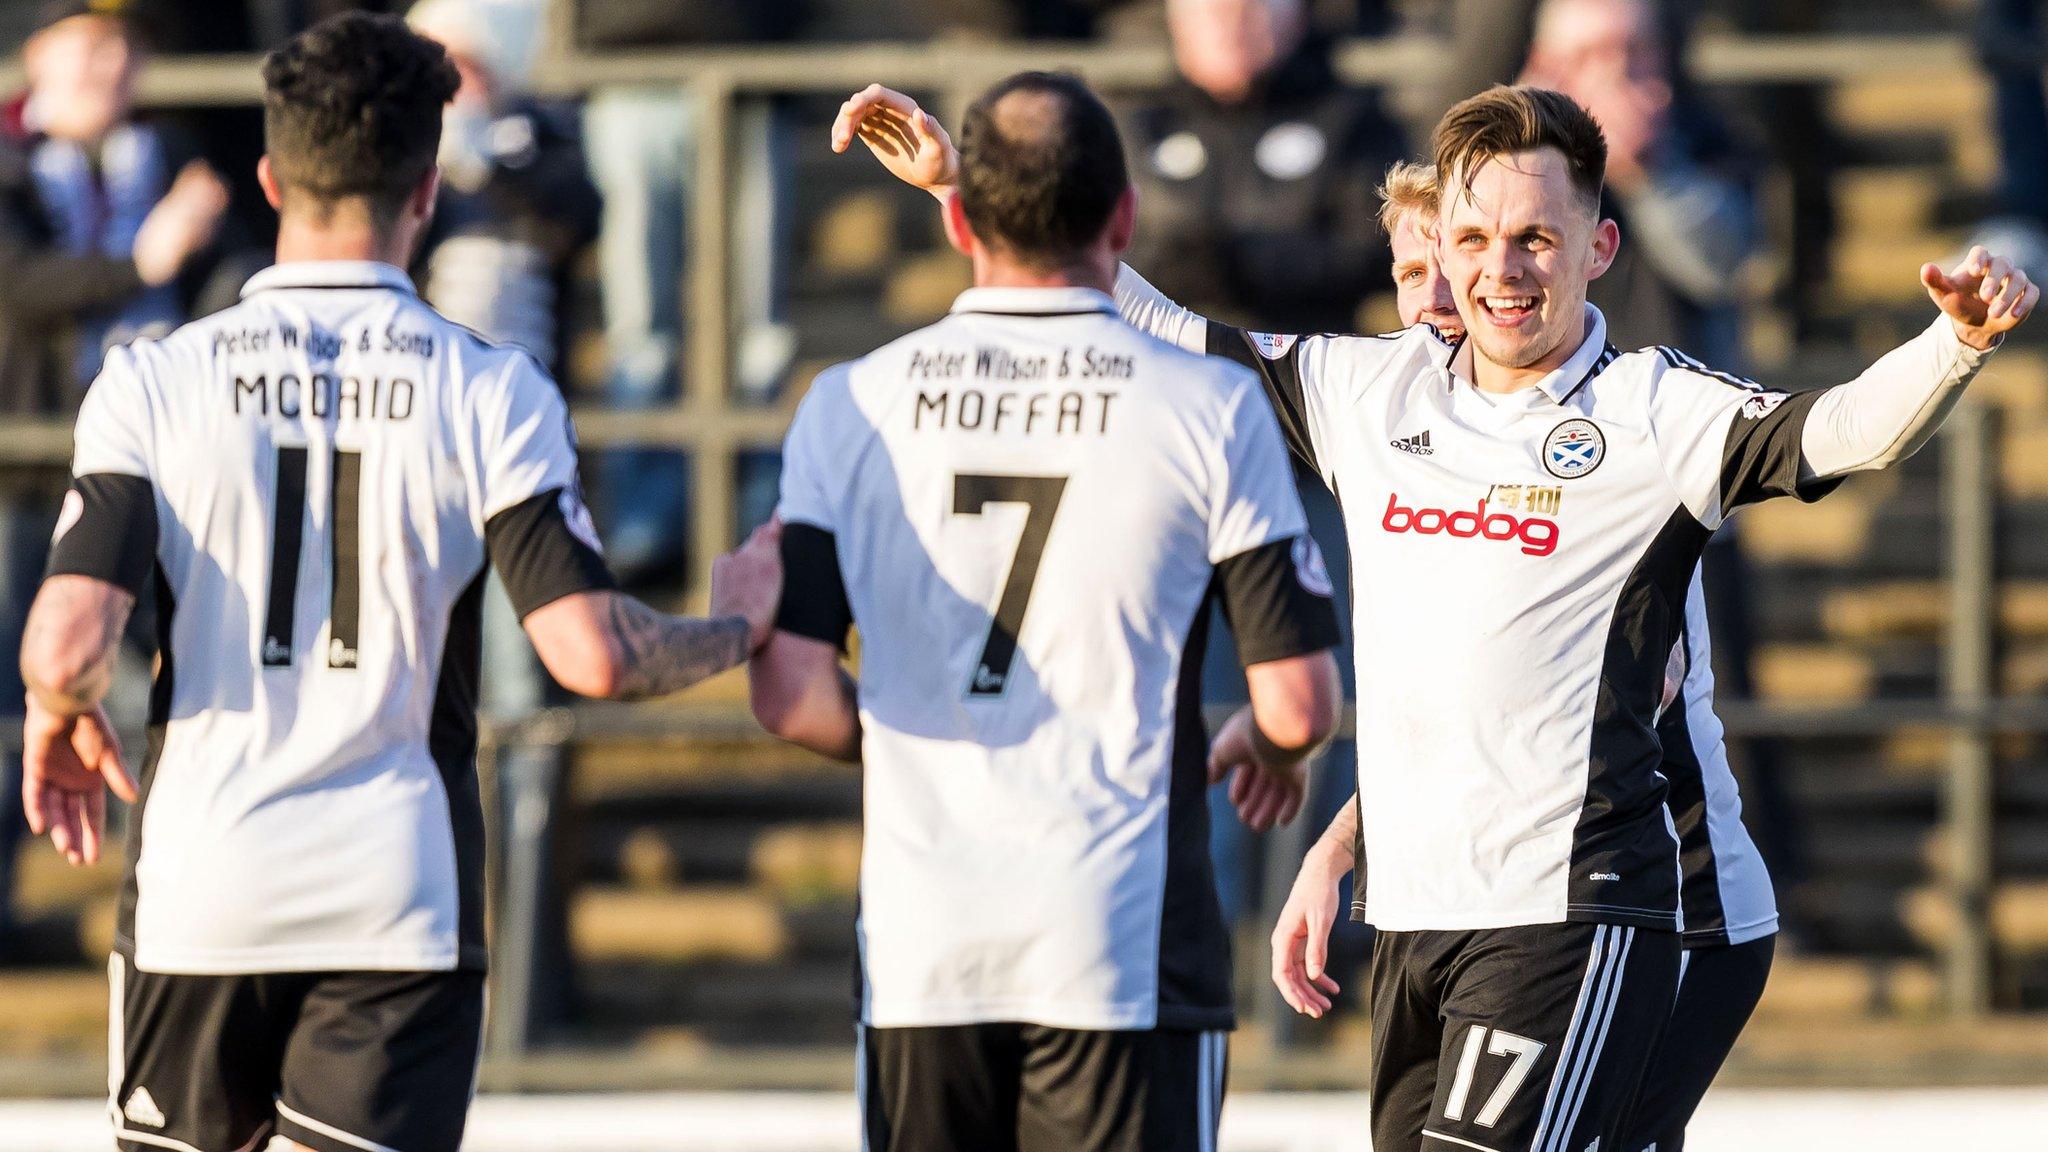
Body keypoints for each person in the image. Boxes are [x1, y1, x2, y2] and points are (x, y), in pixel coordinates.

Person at [838, 80, 2036, 1152]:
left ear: (1597, 248)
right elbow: (1166, 331)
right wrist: (968, 187)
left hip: (1572, 910)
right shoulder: (1371, 392)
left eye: (1532, 240)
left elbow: (1837, 431)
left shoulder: (1654, 411)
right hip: (1414, 917)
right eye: (1470, 240)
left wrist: (1952, 343)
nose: (1497, 270)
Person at [16, 15, 781, 1152]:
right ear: (426, 189)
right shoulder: (489, 388)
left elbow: (70, 642)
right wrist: (738, 622)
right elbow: (592, 656)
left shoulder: (153, 382)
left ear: (271, 177)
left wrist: (56, 706)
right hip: (393, 898)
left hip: (200, 890)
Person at [757, 73, 1344, 1152]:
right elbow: (1300, 703)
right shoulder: (1205, 405)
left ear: (958, 218)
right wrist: (1264, 738)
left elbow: (793, 698)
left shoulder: (850, 401)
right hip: (1118, 940)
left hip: (922, 943)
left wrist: (887, 733)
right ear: (1123, 218)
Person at [1281, 157, 1782, 1152]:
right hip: (1520, 892)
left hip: (1666, 904)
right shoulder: (1418, 431)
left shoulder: (1603, 448)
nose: (1430, 302)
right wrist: (1334, 851)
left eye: (1447, 268)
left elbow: (1540, 714)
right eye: (1407, 273)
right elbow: (1467, 717)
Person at [0, 0, 227, 958]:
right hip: (28, 471)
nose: (106, 67)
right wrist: (144, 260)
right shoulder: (12, 168)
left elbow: (232, 274)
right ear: (37, 57)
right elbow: (21, 285)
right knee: (21, 689)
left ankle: (185, 895)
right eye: (84, 46)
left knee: (178, 680)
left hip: (160, 476)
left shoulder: (175, 161)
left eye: (121, 47)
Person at [1115, 0, 1406, 334]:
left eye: (1247, 12)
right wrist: (1177, 268)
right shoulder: (1139, 131)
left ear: (1294, 19)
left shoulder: (1350, 121)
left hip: (1303, 355)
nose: (1230, 29)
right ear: (1177, 25)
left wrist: (1245, 265)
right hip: (1164, 352)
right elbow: (1102, 250)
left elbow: (1378, 247)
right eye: (1213, 14)